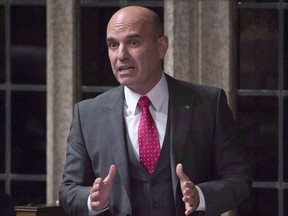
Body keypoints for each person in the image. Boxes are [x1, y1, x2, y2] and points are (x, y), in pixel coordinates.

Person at [59, 6, 252, 216]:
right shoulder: (88, 114)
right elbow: (68, 191)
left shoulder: (208, 104)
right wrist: (92, 200)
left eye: (133, 42)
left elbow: (239, 179)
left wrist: (200, 196)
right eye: (113, 45)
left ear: (161, 47)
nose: (121, 55)